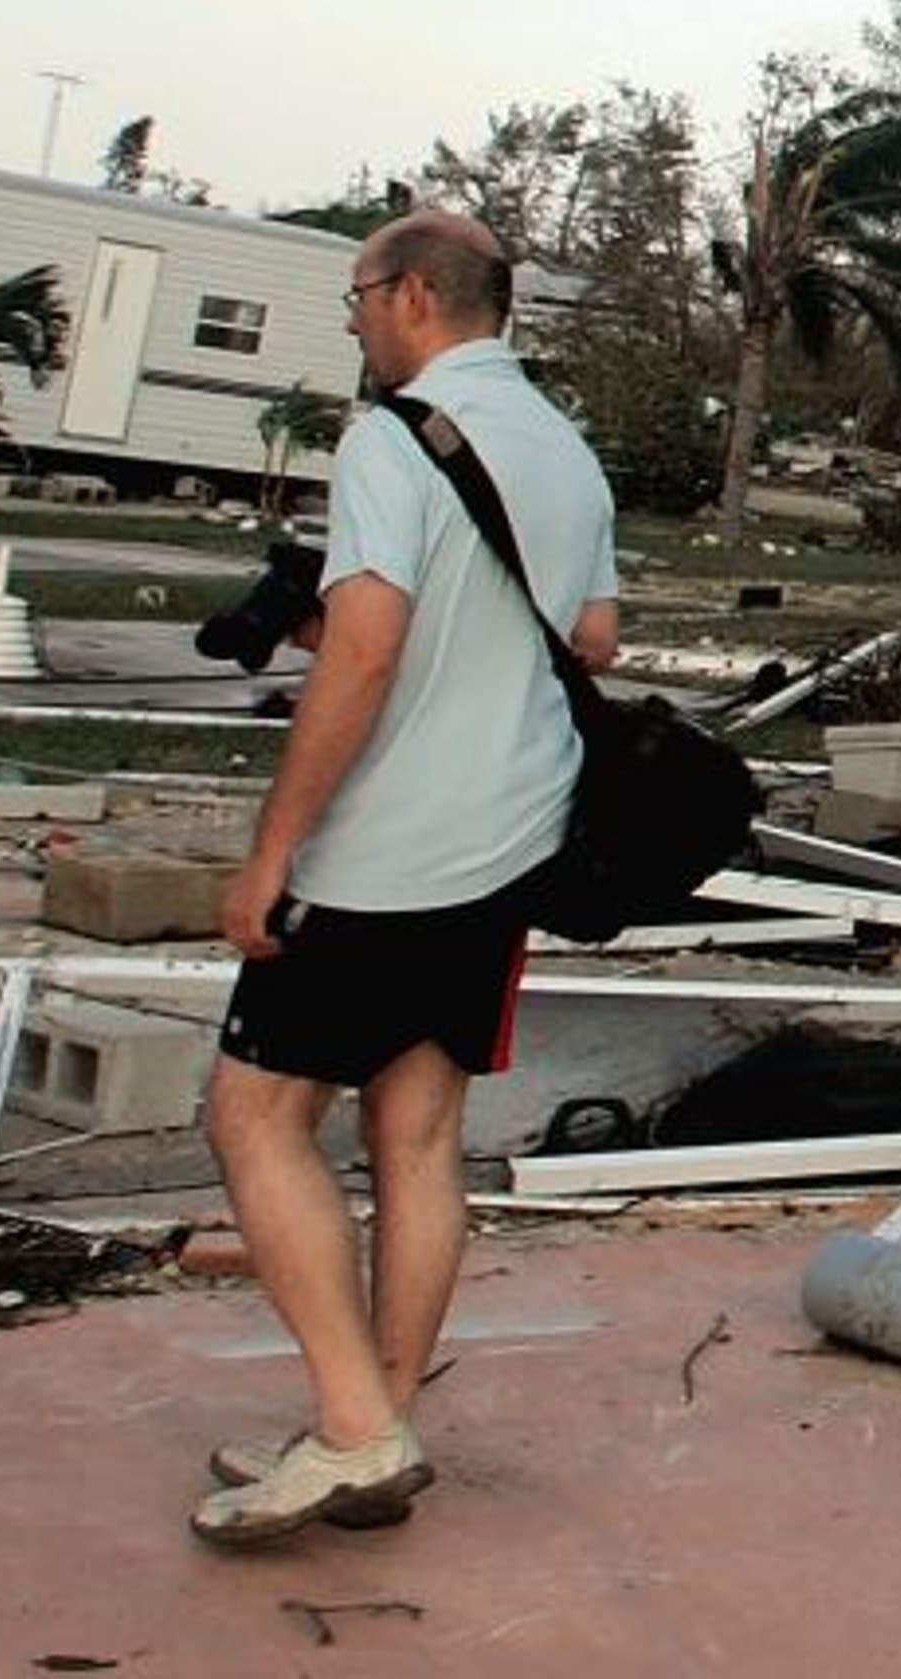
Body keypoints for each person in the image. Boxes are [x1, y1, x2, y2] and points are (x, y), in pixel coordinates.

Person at [194, 209, 618, 1546]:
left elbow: (363, 655)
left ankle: (358, 1423)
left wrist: (271, 852)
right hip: (509, 842)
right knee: (418, 1137)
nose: (358, 320)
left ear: (419, 296)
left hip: (385, 851)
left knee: (252, 1120)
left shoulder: (391, 437)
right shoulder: (563, 448)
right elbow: (592, 635)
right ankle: (367, 1422)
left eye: (360, 296)